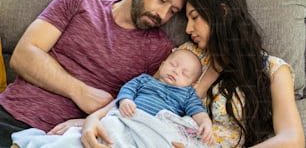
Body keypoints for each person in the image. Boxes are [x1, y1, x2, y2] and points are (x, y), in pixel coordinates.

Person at [79, 0, 305, 148]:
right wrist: (91, 119)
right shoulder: (189, 56)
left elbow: (292, 139)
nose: (187, 29)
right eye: (187, 19)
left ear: (222, 13)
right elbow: (147, 90)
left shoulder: (274, 70)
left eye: (195, 17)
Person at [0, 0, 194, 147]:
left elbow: (152, 106)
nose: (162, 14)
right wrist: (80, 91)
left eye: (173, 11)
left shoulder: (160, 50)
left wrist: (89, 121)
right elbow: (23, 55)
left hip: (67, 138)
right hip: (11, 114)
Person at [10, 49, 214, 148]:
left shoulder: (187, 94)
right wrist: (125, 100)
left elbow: (198, 112)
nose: (176, 71)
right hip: (125, 118)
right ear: (162, 64)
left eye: (185, 73)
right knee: (98, 133)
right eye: (173, 64)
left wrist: (206, 124)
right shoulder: (145, 80)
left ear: (193, 83)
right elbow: (128, 90)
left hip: (151, 128)